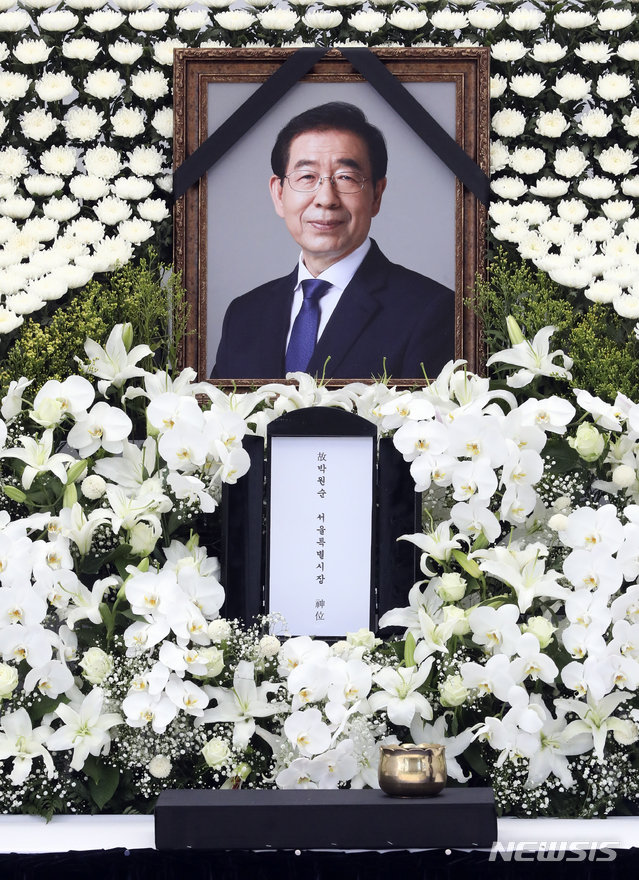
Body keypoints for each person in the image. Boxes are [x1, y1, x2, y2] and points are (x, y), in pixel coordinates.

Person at [212, 102, 455, 381]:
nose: (326, 198)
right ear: (278, 194)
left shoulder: (430, 310)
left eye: (346, 177)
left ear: (376, 195)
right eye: (307, 177)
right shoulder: (244, 315)